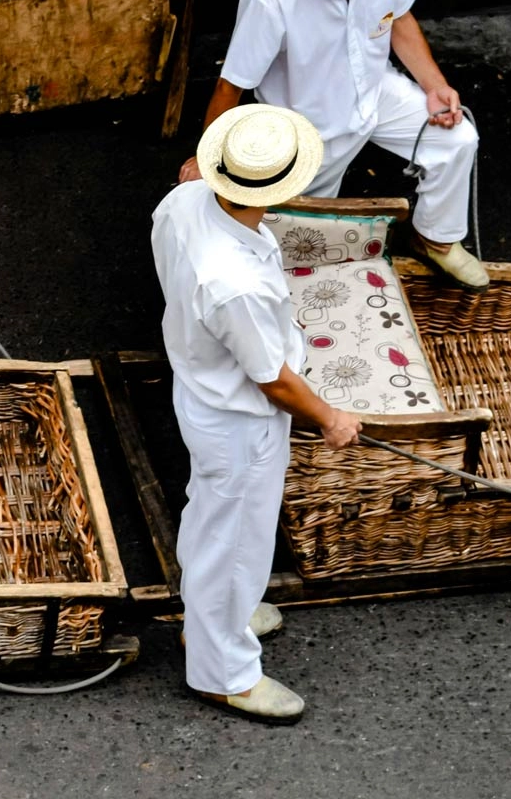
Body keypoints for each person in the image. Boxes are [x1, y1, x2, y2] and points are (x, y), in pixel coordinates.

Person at [179, 0, 487, 290]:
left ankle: (434, 238)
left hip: (376, 92)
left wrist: (434, 87)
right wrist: (209, 160)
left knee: (457, 139)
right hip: (310, 127)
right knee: (299, 243)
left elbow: (399, 18)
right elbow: (230, 85)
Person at [153, 104, 362, 724]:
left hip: (202, 390)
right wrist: (331, 418)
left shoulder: (183, 201)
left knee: (213, 518)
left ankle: (215, 614)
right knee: (237, 539)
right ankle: (225, 673)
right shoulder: (235, 282)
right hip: (240, 418)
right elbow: (271, 379)